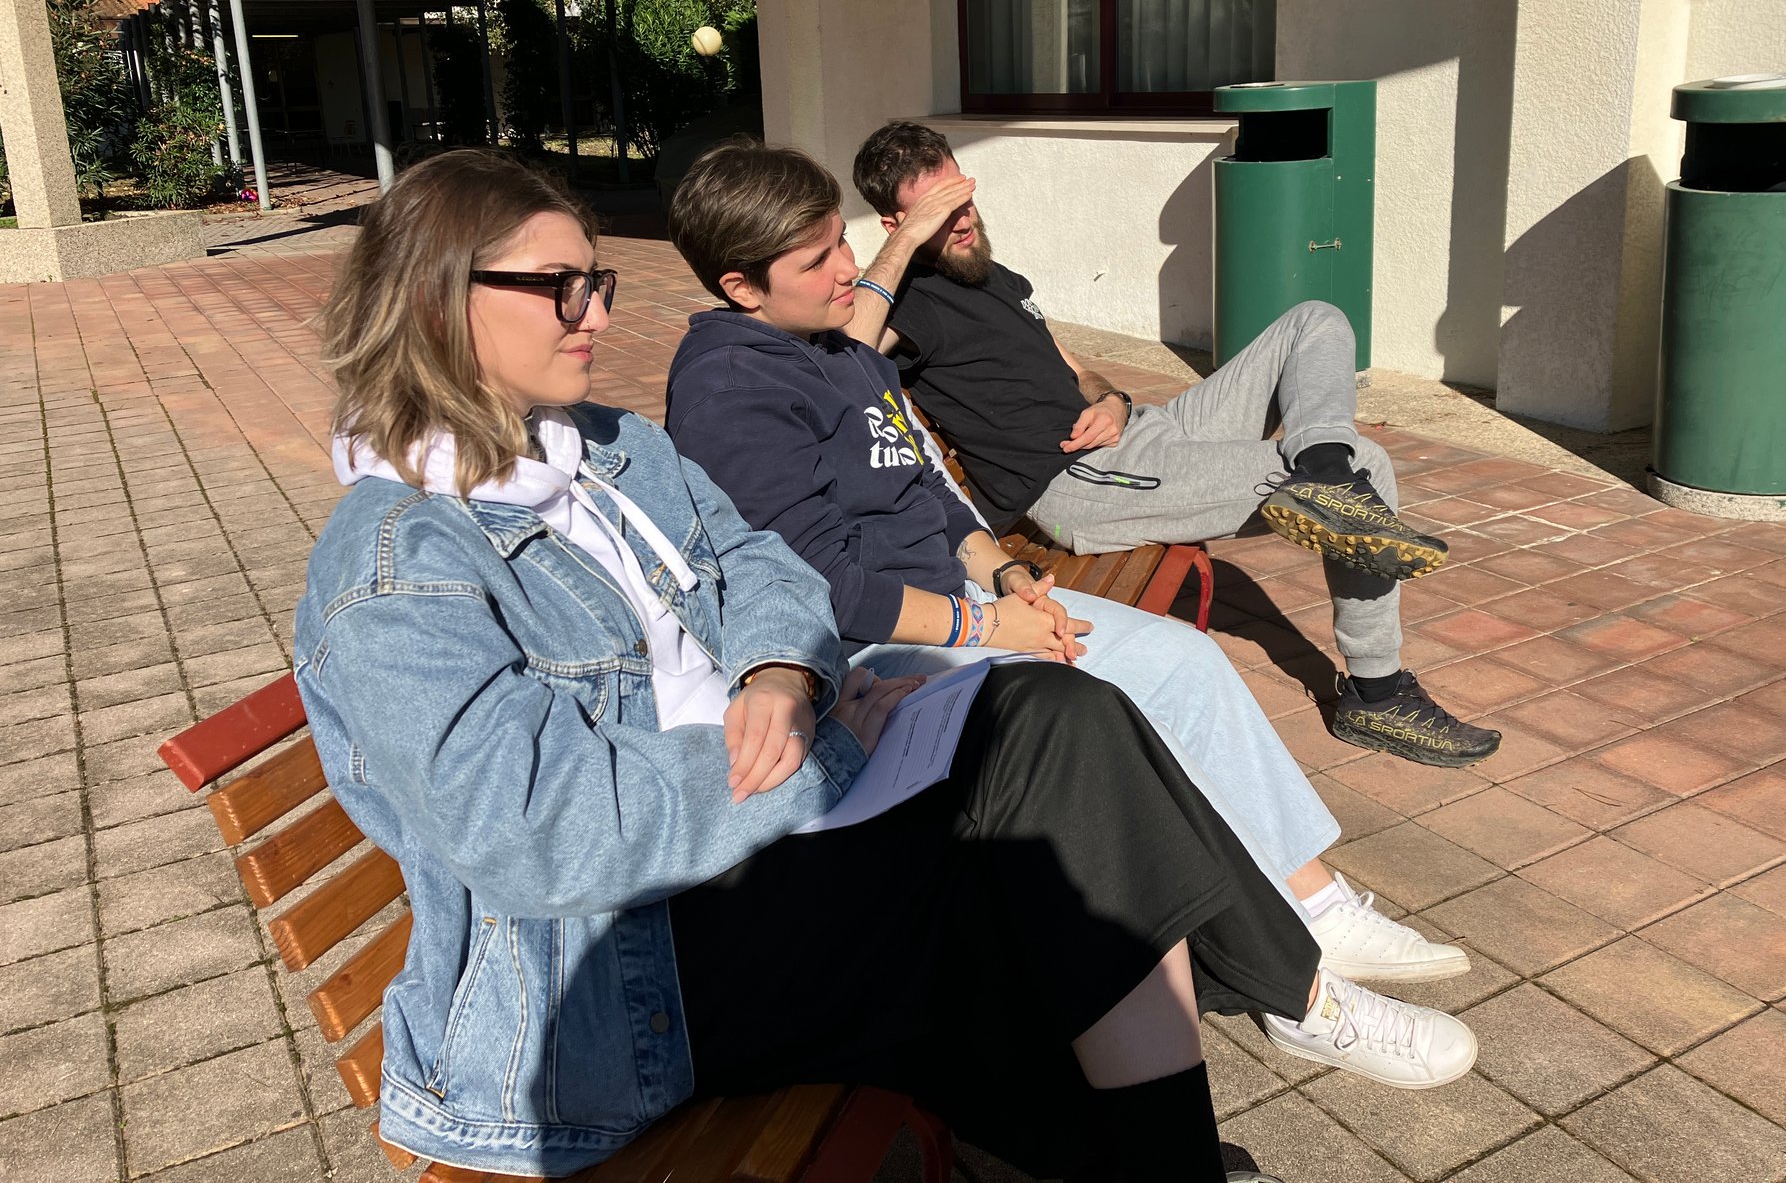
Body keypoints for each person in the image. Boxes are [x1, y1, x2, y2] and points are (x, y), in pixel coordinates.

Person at [292, 148, 1380, 1182]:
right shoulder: (398, 571)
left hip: (756, 838)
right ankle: (1259, 1025)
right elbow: (545, 834)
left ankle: (1179, 1125)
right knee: (1023, 840)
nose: (599, 315)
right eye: (561, 288)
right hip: (632, 971)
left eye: (599, 281)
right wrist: (822, 750)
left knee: (1053, 719)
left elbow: (760, 561)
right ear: (434, 303)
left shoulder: (607, 448)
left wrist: (780, 674)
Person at [662, 139, 1481, 1096]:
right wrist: (985, 630)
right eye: (817, 261)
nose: (849, 270)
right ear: (741, 287)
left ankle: (1319, 906)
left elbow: (932, 501)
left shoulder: (836, 347)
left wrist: (1008, 577)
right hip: (878, 653)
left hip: (966, 604)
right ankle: (1288, 990)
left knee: (1182, 663)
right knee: (1103, 731)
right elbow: (825, 587)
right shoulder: (731, 388)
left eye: (839, 243)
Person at [842, 120, 1501, 770]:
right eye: (937, 211)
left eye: (962, 196)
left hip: (1145, 431)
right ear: (899, 225)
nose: (961, 219)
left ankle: (1323, 471)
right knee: (1371, 463)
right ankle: (1376, 695)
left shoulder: (994, 276)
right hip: (1083, 480)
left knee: (1315, 320)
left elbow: (1075, 370)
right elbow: (845, 358)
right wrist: (902, 248)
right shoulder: (906, 304)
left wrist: (1110, 399)